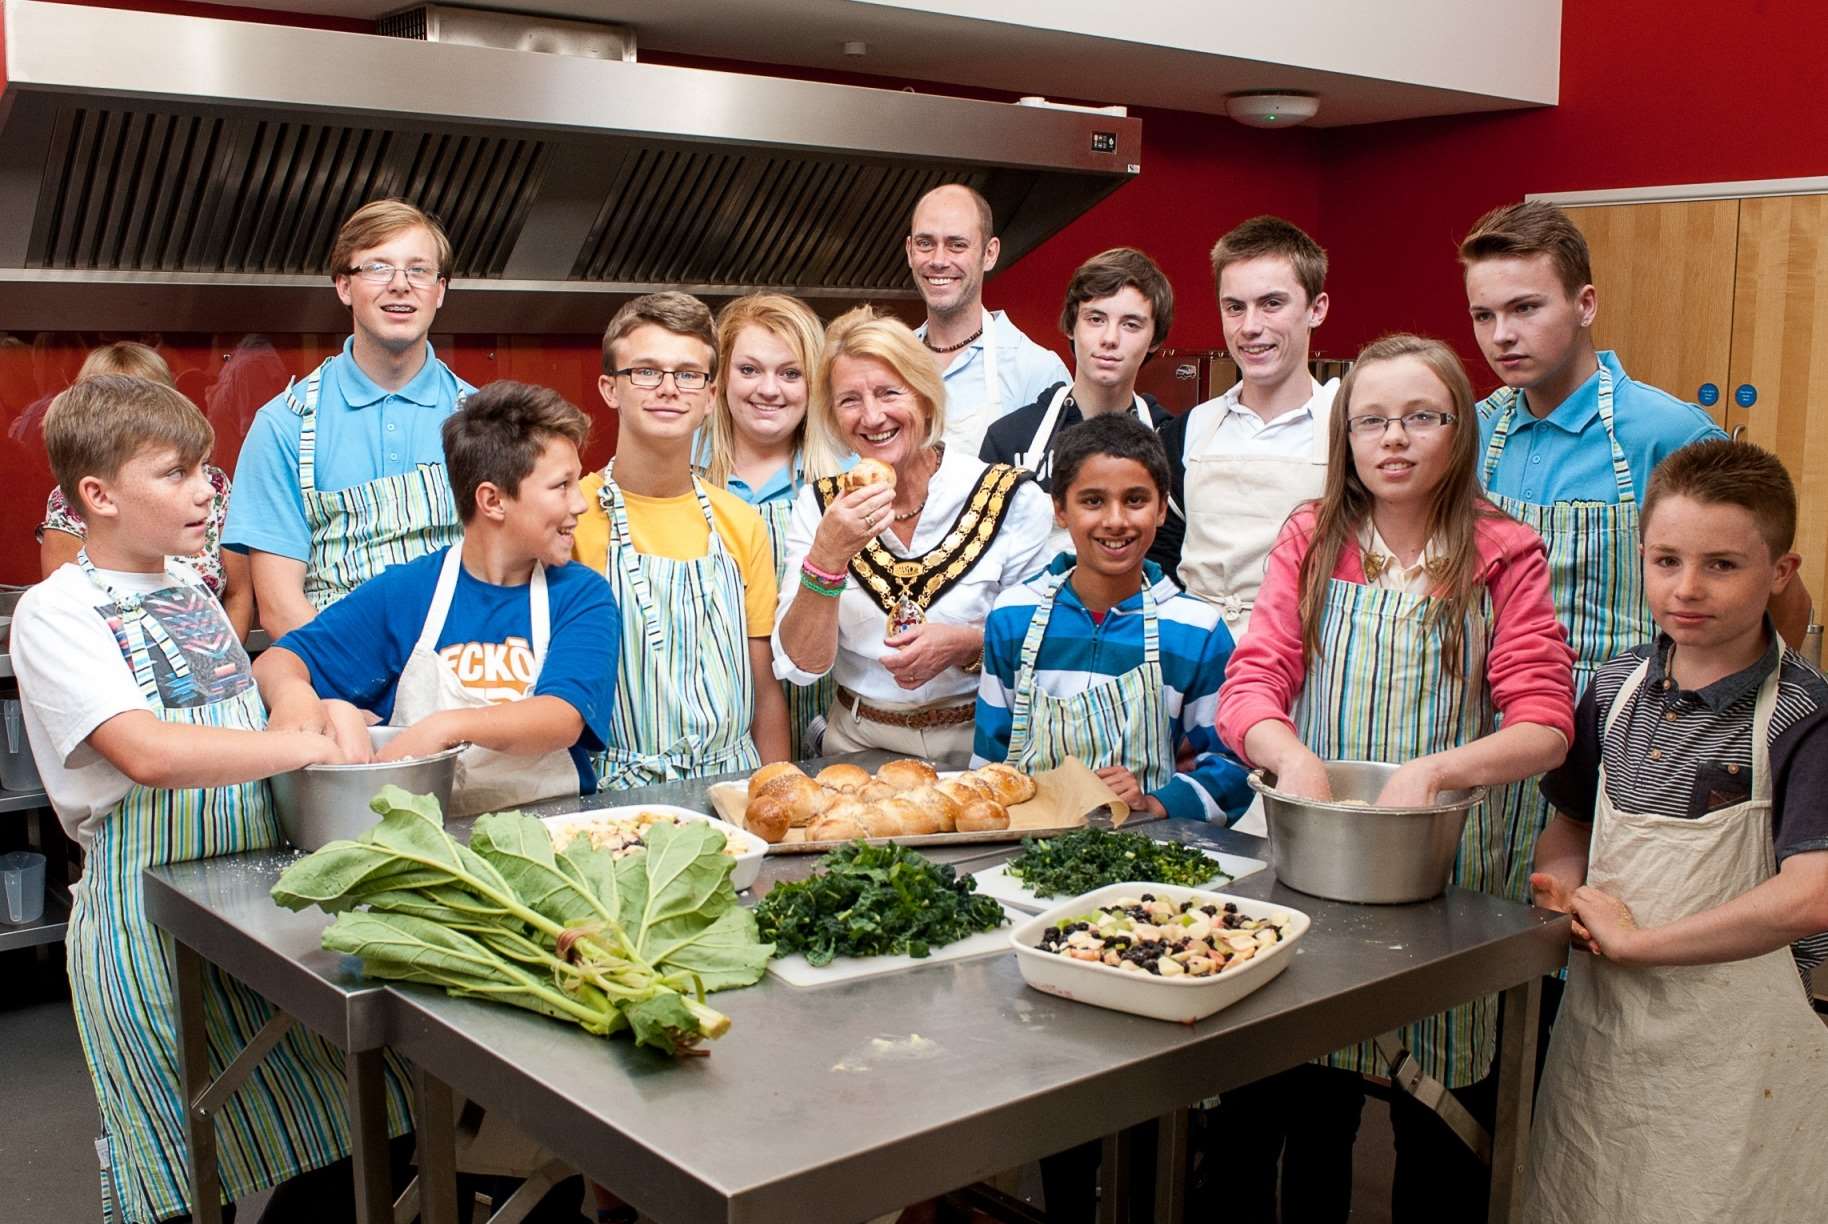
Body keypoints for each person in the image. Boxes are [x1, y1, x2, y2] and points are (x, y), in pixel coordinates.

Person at [10, 376, 411, 1224]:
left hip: (251, 906)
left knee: (366, 1111)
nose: (205, 492)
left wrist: (312, 704)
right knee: (179, 1173)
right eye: (175, 474)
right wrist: (298, 745)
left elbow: (241, 708)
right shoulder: (59, 611)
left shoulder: (190, 588)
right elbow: (145, 753)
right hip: (148, 923)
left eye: (206, 469)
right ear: (98, 496)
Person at [1214, 334, 1575, 1223]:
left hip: (1447, 876)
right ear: (1346, 438)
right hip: (1321, 865)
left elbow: (1544, 724)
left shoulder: (1502, 551)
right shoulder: (1314, 534)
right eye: (1372, 420)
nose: (1395, 439)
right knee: (1310, 1104)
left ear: (1462, 431)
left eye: (1422, 417)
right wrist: (1290, 756)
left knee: (1440, 1124)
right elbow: (1252, 683)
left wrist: (1439, 771)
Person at [1460, 199, 1816, 901]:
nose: (1503, 335)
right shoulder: (1473, 432)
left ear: (1585, 303)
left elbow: (1774, 596)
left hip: (1623, 743)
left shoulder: (1667, 431)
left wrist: (1725, 736)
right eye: (1484, 315)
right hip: (1496, 733)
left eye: (1526, 308)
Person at [1525, 439, 1828, 1224]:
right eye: (1666, 561)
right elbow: (1572, 822)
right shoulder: (1615, 684)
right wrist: (1561, 887)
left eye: (1722, 565)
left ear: (1781, 572)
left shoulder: (1804, 718)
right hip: (1604, 1036)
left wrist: (1639, 944)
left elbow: (1811, 896)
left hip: (1737, 1067)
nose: (1686, 589)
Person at [253, 382, 618, 815]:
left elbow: (562, 718)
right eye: (562, 486)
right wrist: (296, 698)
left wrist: (446, 727)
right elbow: (277, 662)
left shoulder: (580, 596)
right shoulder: (408, 593)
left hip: (551, 838)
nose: (580, 504)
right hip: (427, 847)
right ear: (492, 500)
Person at [774, 306, 1054, 762]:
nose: (872, 416)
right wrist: (827, 555)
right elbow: (800, 667)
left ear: (924, 396)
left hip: (982, 740)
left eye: (889, 392)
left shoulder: (1008, 497)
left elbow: (1047, 640)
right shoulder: (821, 506)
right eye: (849, 400)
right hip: (857, 743)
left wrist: (967, 643)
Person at [973, 413, 1250, 823]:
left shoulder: (1195, 630)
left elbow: (1231, 766)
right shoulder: (1014, 615)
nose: (1116, 520)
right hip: (1022, 848)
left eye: (1136, 500)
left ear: (1161, 508)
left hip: (1150, 855)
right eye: (1092, 501)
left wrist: (1157, 803)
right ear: (1060, 509)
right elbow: (990, 762)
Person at [224, 199, 474, 638]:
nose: (401, 286)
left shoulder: (486, 421)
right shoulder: (284, 426)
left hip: (467, 672)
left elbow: (512, 577)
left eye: (418, 270)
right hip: (337, 685)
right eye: (378, 268)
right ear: (343, 286)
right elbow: (281, 607)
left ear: (440, 290)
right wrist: (354, 690)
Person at [574, 291, 788, 787]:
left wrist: (776, 792)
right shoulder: (573, 516)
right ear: (610, 388)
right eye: (645, 371)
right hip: (612, 793)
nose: (668, 389)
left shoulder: (740, 522)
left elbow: (763, 686)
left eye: (688, 375)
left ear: (710, 397)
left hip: (734, 784)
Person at [1157, 215, 1338, 637]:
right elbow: (1163, 559)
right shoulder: (1187, 432)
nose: (1250, 327)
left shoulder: (1349, 431)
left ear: (1317, 309)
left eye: (1271, 304)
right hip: (1195, 665)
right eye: (1234, 307)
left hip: (1305, 662)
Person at [700, 293, 848, 758]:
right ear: (721, 378)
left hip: (836, 727)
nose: (769, 389)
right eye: (749, 370)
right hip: (724, 734)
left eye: (790, 373)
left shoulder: (850, 481)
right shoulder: (684, 480)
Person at [38, 342, 253, 642]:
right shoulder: (49, 608)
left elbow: (238, 592)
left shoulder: (187, 577)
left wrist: (227, 666)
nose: (202, 493)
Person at [980, 246, 1177, 562]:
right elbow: (984, 559)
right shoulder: (1010, 437)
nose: (1110, 338)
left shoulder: (1170, 440)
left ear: (1155, 338)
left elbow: (1172, 563)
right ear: (1072, 326)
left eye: (1131, 324)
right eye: (1096, 319)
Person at [907, 183, 1069, 454]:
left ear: (990, 253)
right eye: (925, 243)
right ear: (910, 250)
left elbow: (1060, 486)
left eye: (957, 245)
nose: (938, 260)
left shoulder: (1037, 371)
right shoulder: (890, 362)